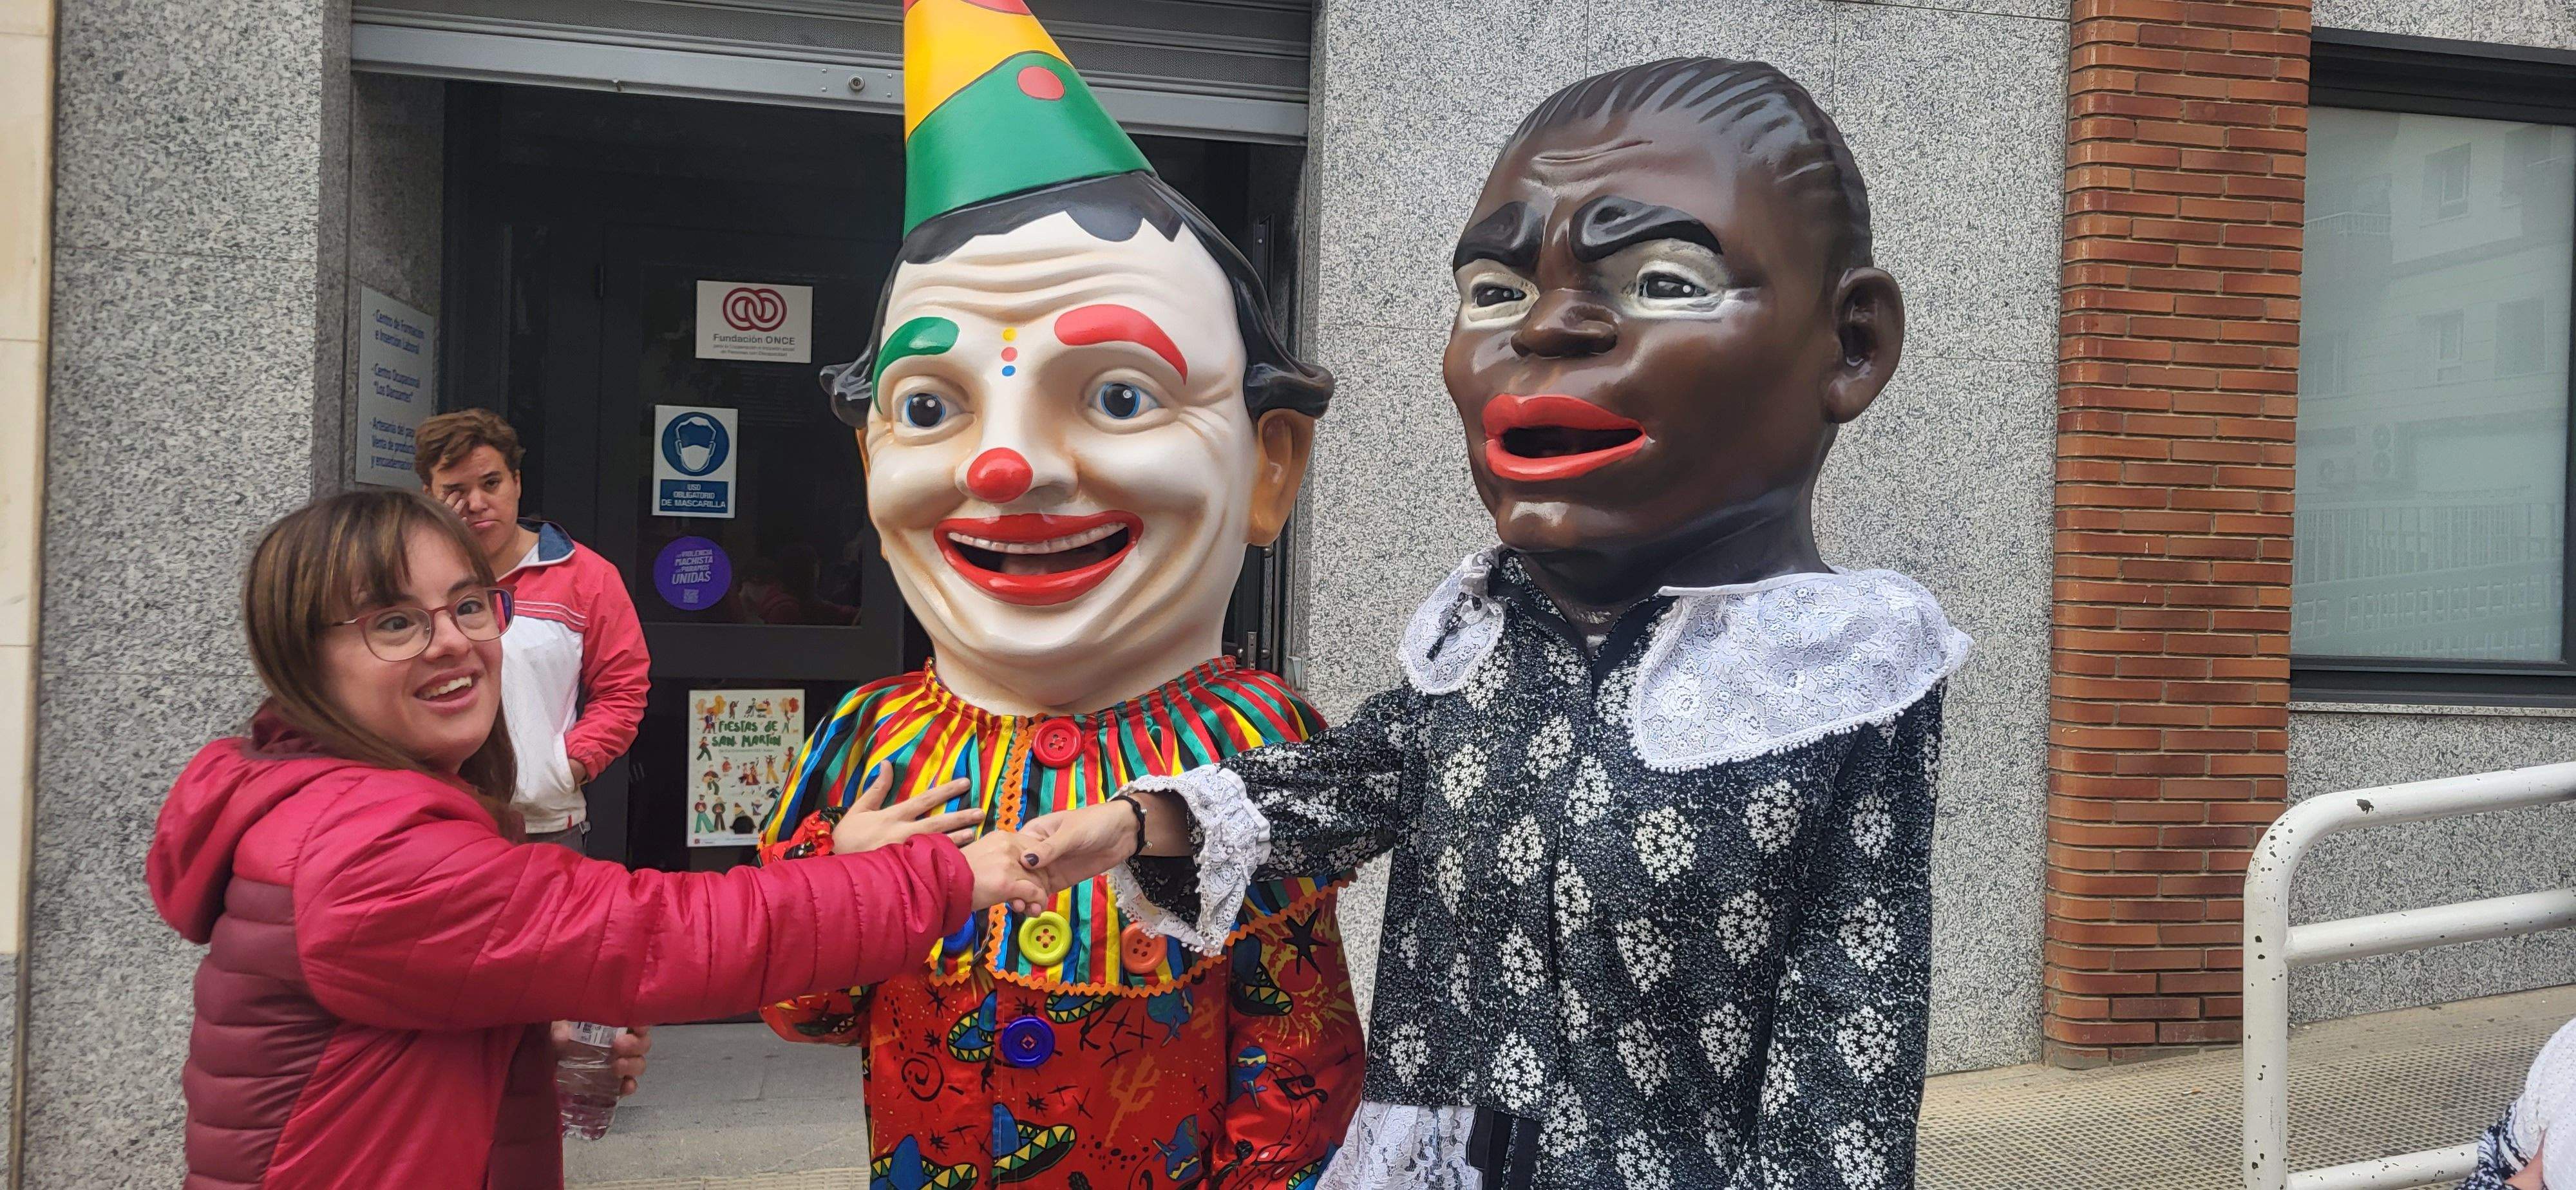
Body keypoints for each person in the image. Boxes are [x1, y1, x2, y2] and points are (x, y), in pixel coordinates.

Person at [1019, 57, 1969, 1190]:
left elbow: (1848, 1042)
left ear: (1852, 344)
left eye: (1664, 280)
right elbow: (1354, 782)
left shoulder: (1842, 671)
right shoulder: (1481, 630)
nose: (1553, 328)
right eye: (1495, 290)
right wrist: (1140, 823)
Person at [751, 3, 1366, 1186]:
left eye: (1120, 394)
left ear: (1270, 463)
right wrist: (839, 894)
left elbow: (1301, 1056)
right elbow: (800, 1009)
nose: (1006, 466)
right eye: (930, 406)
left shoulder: (1254, 744)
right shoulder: (871, 740)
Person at [146, 488, 1046, 1189]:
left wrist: (522, 1044)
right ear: (299, 657)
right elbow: (656, 936)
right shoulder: (365, 848)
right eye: (393, 623)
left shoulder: (325, 796)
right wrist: (937, 879)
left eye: (469, 605)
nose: (452, 644)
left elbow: (378, 1048)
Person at [417, 408, 649, 852]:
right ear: (429, 495)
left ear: (517, 483)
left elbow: (623, 690)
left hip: (545, 827)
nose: (477, 504)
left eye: (491, 483)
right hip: (430, 818)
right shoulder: (411, 578)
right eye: (455, 491)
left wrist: (566, 767)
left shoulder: (585, 576)